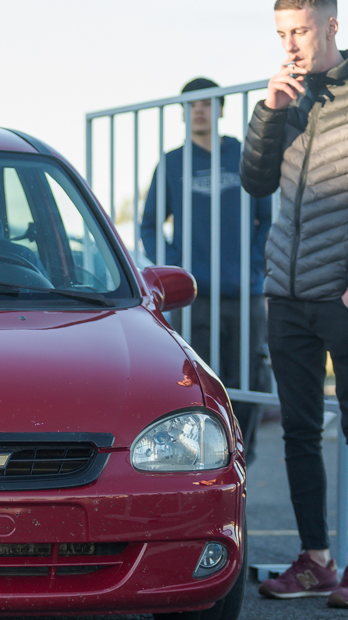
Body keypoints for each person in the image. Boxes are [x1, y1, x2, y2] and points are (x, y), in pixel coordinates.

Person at [240, 0, 348, 608]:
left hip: (345, 295)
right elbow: (256, 182)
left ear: (331, 26)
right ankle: (316, 560)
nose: (291, 43)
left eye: (300, 30)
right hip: (287, 293)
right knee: (299, 430)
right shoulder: (287, 97)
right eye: (282, 32)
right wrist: (269, 112)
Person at [142, 77, 273, 465]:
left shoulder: (244, 155)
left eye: (206, 103)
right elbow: (149, 225)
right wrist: (177, 268)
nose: (199, 110)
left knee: (249, 379)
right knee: (200, 382)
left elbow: (268, 219)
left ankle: (244, 457)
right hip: (195, 298)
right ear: (184, 114)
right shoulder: (172, 163)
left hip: (245, 293)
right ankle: (209, 461)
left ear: (220, 109)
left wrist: (254, 264)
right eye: (192, 105)